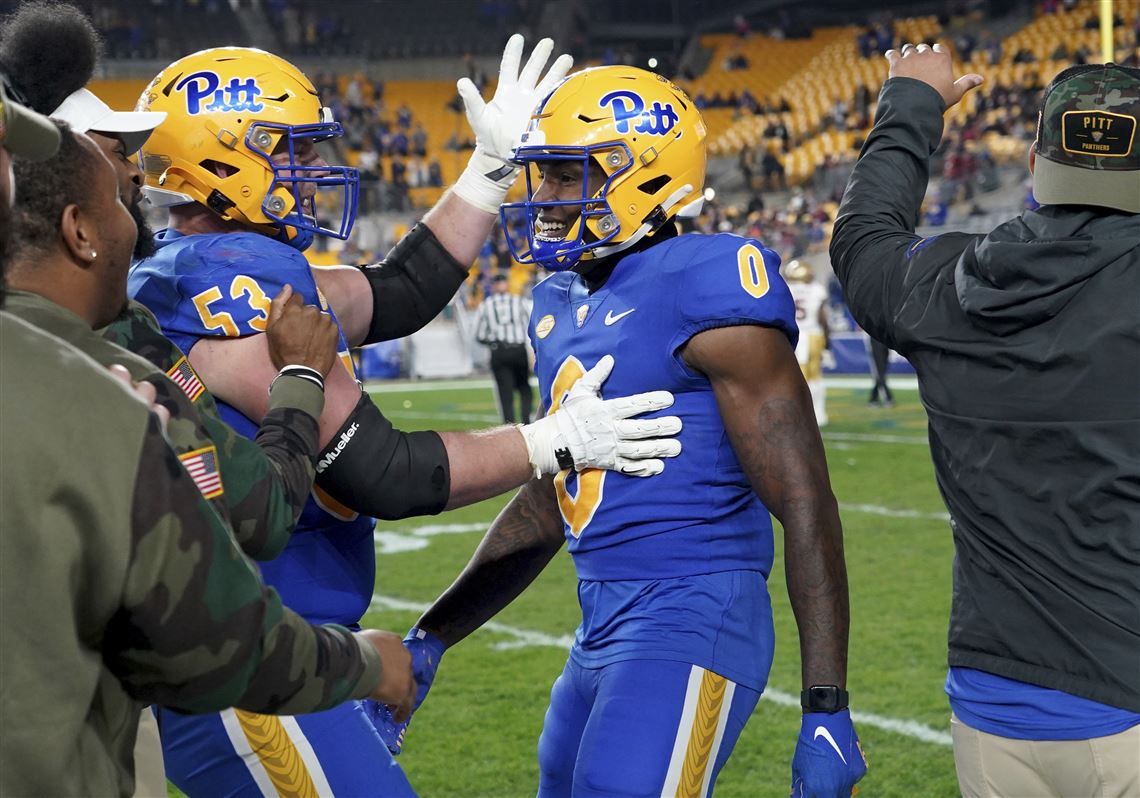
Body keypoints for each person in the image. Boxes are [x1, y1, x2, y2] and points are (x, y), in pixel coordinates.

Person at [127, 40, 684, 797]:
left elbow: (400, 289)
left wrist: (484, 176)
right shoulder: (231, 281)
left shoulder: (209, 263)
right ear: (219, 159)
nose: (305, 169)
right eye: (284, 149)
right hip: (248, 656)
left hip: (271, 641)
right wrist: (552, 440)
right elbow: (384, 472)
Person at [380, 66, 866, 798]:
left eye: (568, 175)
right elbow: (553, 503)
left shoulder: (708, 280)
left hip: (696, 610)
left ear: (642, 177)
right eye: (542, 176)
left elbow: (805, 500)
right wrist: (434, 634)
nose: (543, 199)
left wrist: (826, 704)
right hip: (599, 620)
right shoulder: (557, 301)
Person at [0, 101, 416, 798]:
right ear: (79, 231)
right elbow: (232, 591)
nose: (143, 218)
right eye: (119, 191)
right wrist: (303, 377)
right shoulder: (104, 396)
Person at [830, 45, 1139, 797]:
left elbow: (864, 240)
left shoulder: (950, 281)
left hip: (993, 704)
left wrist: (910, 106)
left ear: (1035, 160)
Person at [474, 270, 535, 423]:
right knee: (524, 388)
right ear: (506, 284)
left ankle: (509, 426)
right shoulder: (519, 301)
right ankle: (526, 422)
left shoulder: (486, 305)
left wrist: (492, 343)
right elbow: (531, 325)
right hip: (518, 349)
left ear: (494, 286)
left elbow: (478, 334)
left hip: (499, 351)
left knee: (505, 392)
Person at [784, 259, 830, 425]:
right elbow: (823, 319)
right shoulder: (816, 289)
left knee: (793, 377)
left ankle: (799, 414)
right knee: (815, 377)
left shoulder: (786, 288)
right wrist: (828, 343)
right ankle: (819, 415)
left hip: (793, 335)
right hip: (813, 335)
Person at [866, 335, 894, 407]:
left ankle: (873, 399)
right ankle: (888, 397)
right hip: (877, 342)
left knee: (881, 374)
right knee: (880, 373)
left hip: (885, 342)